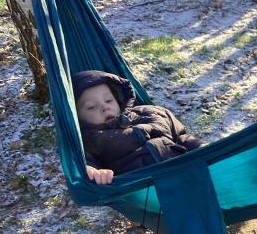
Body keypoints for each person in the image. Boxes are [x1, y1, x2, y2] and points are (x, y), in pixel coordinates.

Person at [73, 70, 206, 185]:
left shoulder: (149, 113)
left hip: (184, 167)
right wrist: (94, 172)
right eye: (91, 107)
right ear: (77, 117)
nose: (104, 107)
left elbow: (180, 136)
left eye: (108, 100)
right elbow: (86, 163)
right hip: (146, 187)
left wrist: (201, 147)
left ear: (118, 99)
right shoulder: (88, 141)